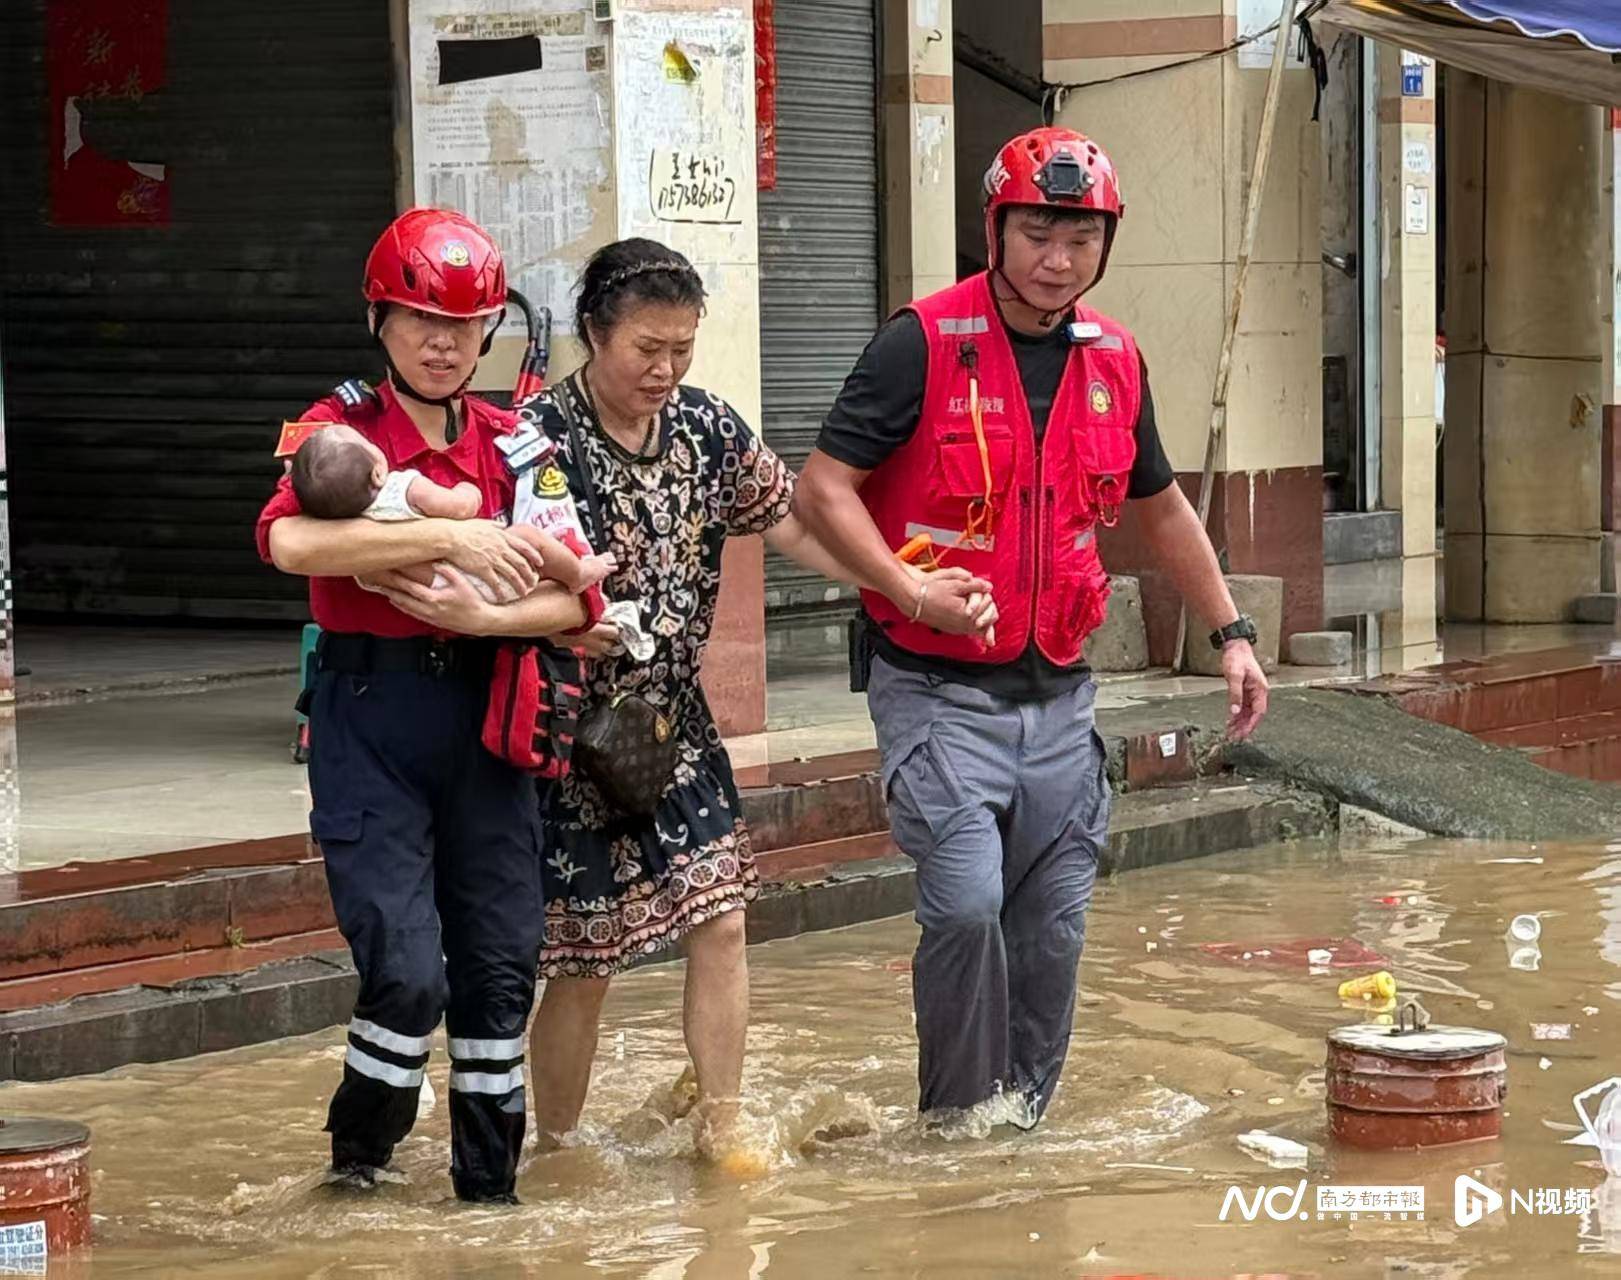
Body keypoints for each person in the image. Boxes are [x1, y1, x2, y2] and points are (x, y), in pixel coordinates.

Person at [794, 126, 1270, 1127]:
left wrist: (1231, 632)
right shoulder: (919, 343)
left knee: (1051, 935)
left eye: (1079, 239)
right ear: (995, 230)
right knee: (966, 906)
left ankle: (1023, 1132)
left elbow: (1162, 507)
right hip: (935, 691)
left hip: (1060, 700)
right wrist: (907, 589)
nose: (1057, 259)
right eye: (1037, 234)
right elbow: (822, 489)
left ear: (1106, 243)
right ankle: (956, 1127)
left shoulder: (1115, 360)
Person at [519, 238, 898, 1161]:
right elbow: (501, 583)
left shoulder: (707, 429)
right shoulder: (536, 442)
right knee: (583, 960)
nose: (665, 370)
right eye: (646, 348)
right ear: (594, 334)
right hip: (568, 737)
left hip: (671, 726)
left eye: (681, 348)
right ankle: (558, 1148)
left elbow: (792, 522)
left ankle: (722, 1124)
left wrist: (896, 584)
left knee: (721, 919)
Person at [257, 207, 590, 1202]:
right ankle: (357, 1170)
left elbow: (578, 597)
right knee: (406, 971)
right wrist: (451, 538)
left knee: (499, 973)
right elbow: (289, 542)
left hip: (489, 722)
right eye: (419, 321)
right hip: (370, 716)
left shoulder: (518, 441)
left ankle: (489, 1197)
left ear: (488, 331)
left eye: (462, 324)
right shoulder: (336, 431)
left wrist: (486, 615)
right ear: (380, 320)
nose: (441, 344)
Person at [287, 423, 616, 602]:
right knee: (528, 539)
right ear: (377, 472)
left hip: (437, 590)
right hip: (480, 578)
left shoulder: (346, 519)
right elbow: (458, 508)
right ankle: (577, 574)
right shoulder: (403, 487)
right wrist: (469, 492)